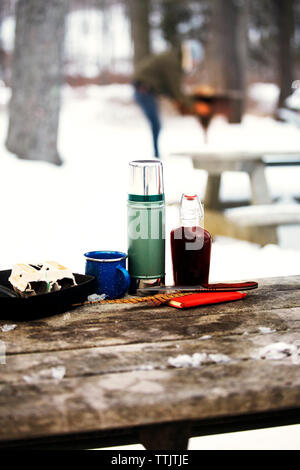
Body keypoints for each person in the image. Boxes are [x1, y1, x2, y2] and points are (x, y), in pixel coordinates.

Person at [132, 46, 193, 158]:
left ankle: (156, 153)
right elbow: (174, 88)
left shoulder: (170, 58)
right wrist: (192, 105)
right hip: (144, 90)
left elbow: (167, 88)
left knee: (156, 124)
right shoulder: (172, 63)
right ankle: (156, 155)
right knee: (156, 124)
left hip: (145, 90)